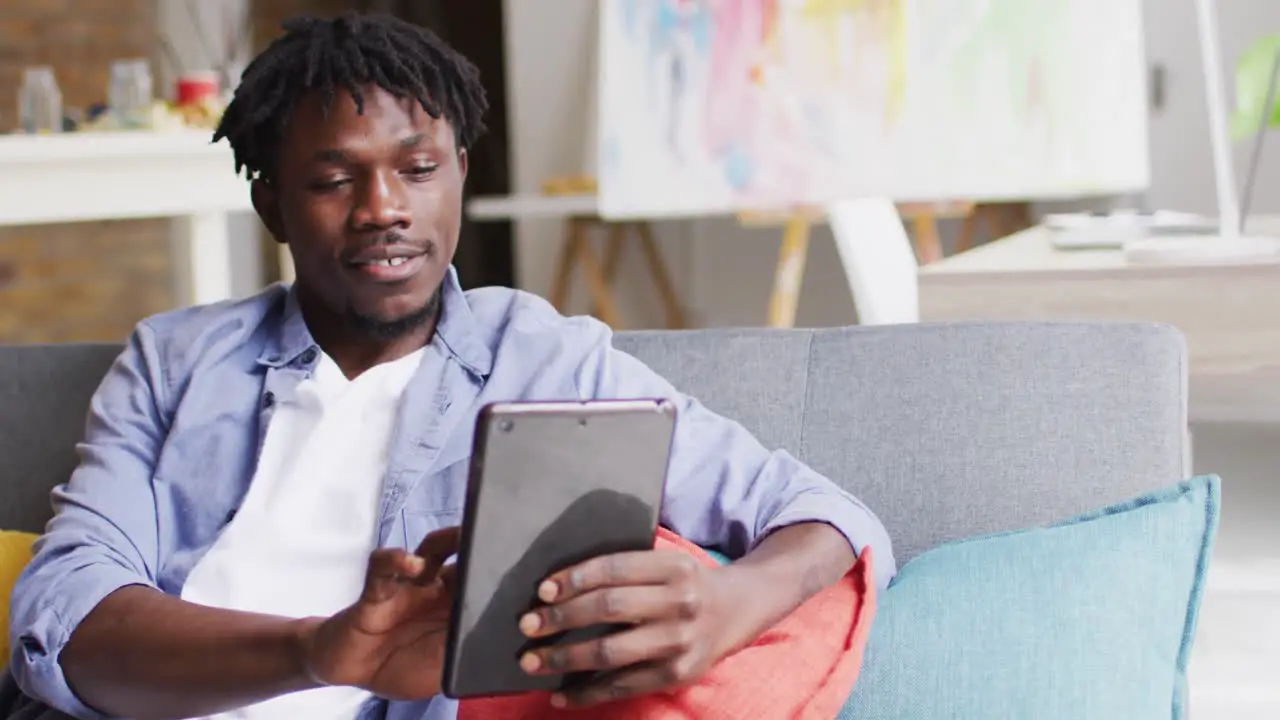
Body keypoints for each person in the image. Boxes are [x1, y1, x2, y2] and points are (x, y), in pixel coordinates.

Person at [2, 12, 894, 720]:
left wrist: (729, 604)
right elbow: (62, 615)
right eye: (332, 180)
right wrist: (317, 650)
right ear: (270, 201)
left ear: (459, 174)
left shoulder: (548, 359)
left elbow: (827, 516)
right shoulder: (174, 360)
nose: (383, 209)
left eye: (419, 168)